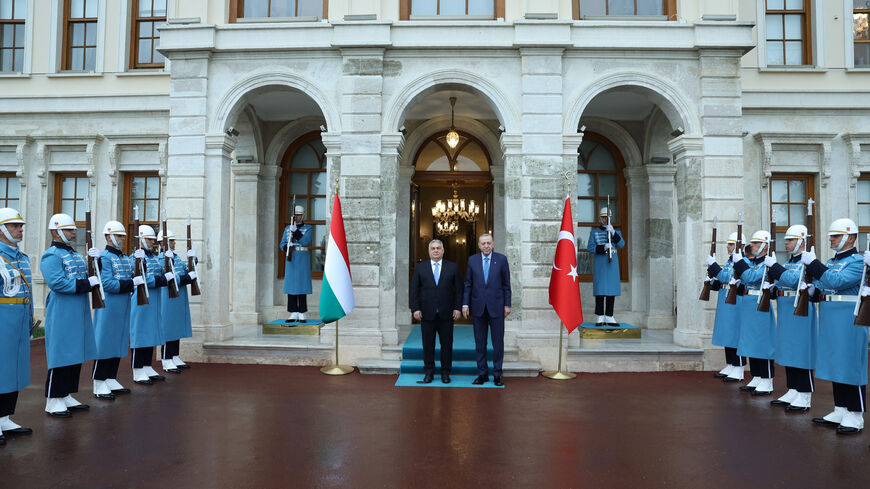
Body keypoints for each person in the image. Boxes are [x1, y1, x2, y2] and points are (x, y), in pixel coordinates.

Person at [805, 218, 867, 434]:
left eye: (836, 236)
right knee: (836, 362)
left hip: (848, 317)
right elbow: (825, 283)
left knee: (850, 364)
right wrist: (813, 290)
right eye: (831, 235)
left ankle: (856, 414)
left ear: (850, 238)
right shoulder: (831, 262)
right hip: (831, 316)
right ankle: (841, 408)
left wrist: (814, 265)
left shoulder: (858, 262)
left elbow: (837, 282)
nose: (831, 239)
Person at [41, 213, 99, 417]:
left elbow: (87, 275)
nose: (74, 232)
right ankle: (53, 398)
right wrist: (86, 284)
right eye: (69, 230)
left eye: (73, 229)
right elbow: (57, 283)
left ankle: (65, 394)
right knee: (61, 352)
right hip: (63, 308)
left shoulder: (74, 254)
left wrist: (96, 262)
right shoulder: (51, 255)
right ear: (57, 232)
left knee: (75, 351)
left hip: (78, 307)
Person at [765, 225, 816, 412]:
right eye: (786, 240)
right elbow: (782, 282)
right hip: (786, 309)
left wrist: (775, 268)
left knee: (801, 351)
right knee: (788, 349)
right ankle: (793, 389)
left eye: (791, 240)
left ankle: (804, 394)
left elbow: (795, 280)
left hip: (800, 310)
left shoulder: (807, 262)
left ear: (802, 241)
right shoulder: (788, 263)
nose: (786, 243)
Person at [91, 221, 142, 400]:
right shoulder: (105, 257)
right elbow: (107, 284)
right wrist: (131, 283)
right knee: (104, 342)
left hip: (123, 304)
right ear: (108, 236)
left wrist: (139, 258)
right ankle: (98, 381)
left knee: (118, 341)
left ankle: (110, 377)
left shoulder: (122, 257)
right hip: (109, 305)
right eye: (119, 235)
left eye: (123, 236)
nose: (122, 239)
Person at [0, 208, 34, 442]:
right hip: (3, 318)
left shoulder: (22, 257)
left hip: (20, 318)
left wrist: (30, 318)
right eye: (14, 226)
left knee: (14, 370)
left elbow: (27, 291)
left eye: (20, 226)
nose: (20, 229)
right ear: (2, 229)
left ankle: (4, 417)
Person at [410, 239, 463, 384]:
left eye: (438, 248)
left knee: (447, 345)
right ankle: (429, 372)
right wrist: (415, 308)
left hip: (447, 314)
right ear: (428, 251)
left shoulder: (453, 267)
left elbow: (459, 290)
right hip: (426, 314)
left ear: (443, 250)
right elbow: (414, 290)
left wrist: (458, 307)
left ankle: (445, 373)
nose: (435, 250)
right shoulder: (420, 268)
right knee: (428, 345)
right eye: (433, 248)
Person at [463, 233, 511, 386]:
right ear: (479, 245)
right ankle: (482, 374)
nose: (486, 246)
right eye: (483, 243)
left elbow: (506, 285)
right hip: (478, 307)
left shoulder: (501, 259)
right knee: (480, 342)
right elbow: (468, 284)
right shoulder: (472, 260)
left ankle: (497, 374)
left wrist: (507, 305)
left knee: (498, 343)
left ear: (493, 244)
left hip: (497, 307)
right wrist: (465, 304)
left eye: (488, 243)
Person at [732, 230, 777, 395]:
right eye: (752, 242)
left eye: (756, 243)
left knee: (762, 342)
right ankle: (757, 375)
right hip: (748, 303)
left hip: (760, 304)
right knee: (750, 341)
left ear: (765, 245)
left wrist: (739, 264)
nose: (752, 245)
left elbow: (751, 277)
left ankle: (767, 379)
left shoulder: (767, 262)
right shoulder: (752, 262)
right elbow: (745, 280)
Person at [129, 225, 172, 385]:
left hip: (154, 299)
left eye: (153, 239)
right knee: (140, 333)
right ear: (140, 239)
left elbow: (162, 272)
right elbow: (142, 279)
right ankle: (137, 368)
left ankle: (146, 365)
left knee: (151, 332)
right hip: (141, 299)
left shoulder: (153, 257)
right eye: (149, 239)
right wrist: (161, 280)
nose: (152, 242)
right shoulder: (134, 257)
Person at [706, 232, 747, 382]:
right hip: (726, 299)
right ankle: (730, 364)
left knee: (736, 333)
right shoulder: (731, 261)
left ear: (740, 245)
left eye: (731, 244)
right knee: (727, 333)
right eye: (728, 244)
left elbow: (726, 277)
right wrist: (711, 283)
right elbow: (725, 282)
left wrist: (714, 266)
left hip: (736, 301)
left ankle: (739, 366)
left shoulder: (743, 261)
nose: (728, 247)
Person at [158, 229, 196, 373]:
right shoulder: (161, 258)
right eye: (171, 240)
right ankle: (166, 359)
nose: (174, 243)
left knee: (176, 327)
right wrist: (186, 278)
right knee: (168, 328)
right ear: (163, 242)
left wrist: (193, 260)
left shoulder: (176, 257)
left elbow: (186, 270)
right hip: (168, 297)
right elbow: (169, 277)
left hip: (179, 296)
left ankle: (174, 356)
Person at [587, 207, 625, 325]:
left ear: (610, 218)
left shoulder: (616, 232)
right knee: (600, 290)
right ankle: (600, 315)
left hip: (612, 263)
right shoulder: (595, 232)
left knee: (611, 290)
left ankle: (609, 315)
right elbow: (590, 248)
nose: (605, 219)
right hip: (600, 262)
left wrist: (613, 232)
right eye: (603, 217)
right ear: (600, 218)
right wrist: (603, 247)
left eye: (607, 217)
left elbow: (621, 244)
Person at [280, 205, 313, 322]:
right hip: (291, 259)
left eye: (299, 215)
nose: (297, 217)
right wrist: (285, 246)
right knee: (291, 286)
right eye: (295, 215)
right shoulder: (287, 228)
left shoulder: (308, 228)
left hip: (302, 258)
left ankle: (302, 312)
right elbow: (282, 243)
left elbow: (306, 242)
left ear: (302, 215)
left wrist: (296, 232)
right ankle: (293, 312)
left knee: (302, 286)